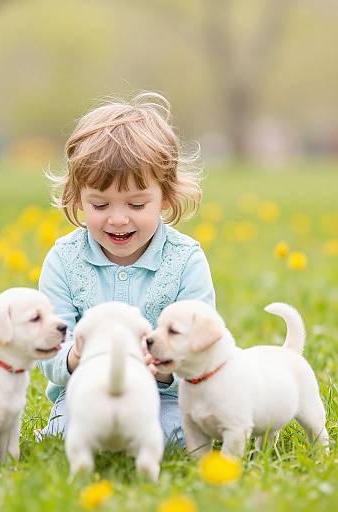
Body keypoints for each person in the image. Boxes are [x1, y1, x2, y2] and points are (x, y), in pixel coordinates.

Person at [36, 92, 215, 446]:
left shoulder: (185, 260)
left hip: (163, 399)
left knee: (175, 434)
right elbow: (48, 346)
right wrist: (74, 355)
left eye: (136, 203)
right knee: (67, 433)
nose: (118, 219)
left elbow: (201, 347)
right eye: (100, 204)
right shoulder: (63, 260)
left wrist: (164, 369)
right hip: (85, 395)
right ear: (77, 198)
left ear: (166, 196)